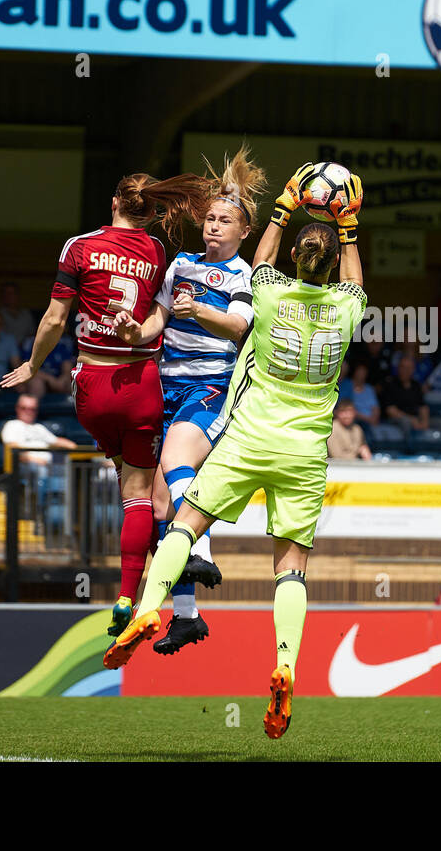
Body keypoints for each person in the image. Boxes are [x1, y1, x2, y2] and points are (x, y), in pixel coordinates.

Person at [102, 165, 366, 742]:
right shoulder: (348, 310)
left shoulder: (268, 289)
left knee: (186, 519)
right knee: (291, 568)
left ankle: (150, 605)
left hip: (247, 436)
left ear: (290, 257)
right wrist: (346, 227)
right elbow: (352, 277)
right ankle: (286, 665)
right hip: (302, 452)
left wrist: (283, 210)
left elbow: (265, 262)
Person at [3, 170, 187, 637]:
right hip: (141, 380)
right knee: (139, 495)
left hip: (92, 383)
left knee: (127, 480)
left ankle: (142, 590)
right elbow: (156, 313)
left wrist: (31, 364)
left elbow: (54, 317)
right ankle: (131, 595)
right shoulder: (157, 251)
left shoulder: (79, 246)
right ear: (149, 210)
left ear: (113, 203)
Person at [111, 150, 266, 650]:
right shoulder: (180, 263)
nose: (214, 227)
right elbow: (157, 319)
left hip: (213, 387)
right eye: (211, 219)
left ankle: (204, 549)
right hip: (168, 385)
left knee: (177, 458)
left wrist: (197, 308)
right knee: (159, 506)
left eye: (225, 222)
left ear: (244, 232)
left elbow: (239, 326)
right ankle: (186, 613)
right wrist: (138, 330)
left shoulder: (246, 276)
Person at [0, 393, 77, 467]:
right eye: (24, 408)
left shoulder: (39, 427)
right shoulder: (12, 425)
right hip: (26, 471)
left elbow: (57, 441)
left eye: (32, 409)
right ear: (17, 408)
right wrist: (37, 461)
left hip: (47, 470)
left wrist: (75, 447)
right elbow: (14, 451)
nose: (28, 412)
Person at [379, 352, 429, 431]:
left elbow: (423, 407)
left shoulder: (416, 385)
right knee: (405, 422)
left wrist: (425, 422)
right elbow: (391, 411)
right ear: (398, 368)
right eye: (402, 367)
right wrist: (411, 420)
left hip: (415, 420)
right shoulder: (390, 384)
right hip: (396, 422)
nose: (405, 370)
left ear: (413, 370)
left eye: (408, 368)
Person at [20, 328, 76, 397]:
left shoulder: (64, 342)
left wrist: (63, 379)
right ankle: (34, 407)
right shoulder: (31, 341)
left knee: (72, 382)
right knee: (37, 384)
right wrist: (50, 379)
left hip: (58, 377)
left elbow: (67, 368)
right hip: (38, 376)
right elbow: (27, 368)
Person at [339, 360, 381, 426]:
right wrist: (368, 419)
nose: (361, 375)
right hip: (357, 420)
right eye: (359, 372)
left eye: (364, 372)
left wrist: (374, 419)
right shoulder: (347, 385)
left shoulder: (369, 389)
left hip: (371, 421)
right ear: (355, 372)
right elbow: (348, 407)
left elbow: (376, 408)